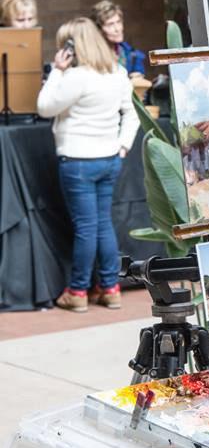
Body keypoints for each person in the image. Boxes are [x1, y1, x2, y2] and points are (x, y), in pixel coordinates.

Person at [37, 17, 138, 312]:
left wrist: (57, 71)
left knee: (85, 227)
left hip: (78, 162)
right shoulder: (118, 72)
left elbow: (44, 108)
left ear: (72, 46)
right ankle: (110, 288)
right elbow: (132, 114)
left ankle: (78, 291)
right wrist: (122, 145)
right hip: (109, 159)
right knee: (102, 223)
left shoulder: (75, 77)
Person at [91, 0, 146, 76]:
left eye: (118, 22)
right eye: (110, 24)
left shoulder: (132, 54)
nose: (117, 29)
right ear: (99, 29)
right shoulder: (91, 55)